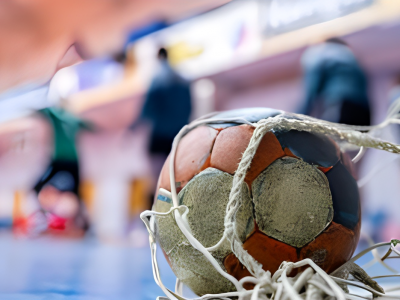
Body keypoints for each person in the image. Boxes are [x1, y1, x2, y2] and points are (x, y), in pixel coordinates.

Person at [33, 107, 94, 236]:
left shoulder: (49, 189)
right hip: (70, 160)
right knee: (68, 140)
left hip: (61, 159)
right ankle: (71, 121)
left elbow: (37, 185)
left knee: (59, 135)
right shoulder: (74, 191)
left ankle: (54, 115)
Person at [141, 48, 192, 198]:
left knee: (157, 180)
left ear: (158, 58)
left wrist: (133, 127)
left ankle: (158, 209)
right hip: (178, 135)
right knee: (179, 176)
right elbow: (189, 107)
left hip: (159, 136)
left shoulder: (157, 79)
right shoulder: (183, 79)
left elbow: (147, 109)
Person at [299, 38, 371, 126]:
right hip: (363, 111)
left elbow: (312, 88)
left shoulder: (320, 52)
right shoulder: (351, 58)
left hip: (340, 104)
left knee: (335, 137)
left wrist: (298, 117)